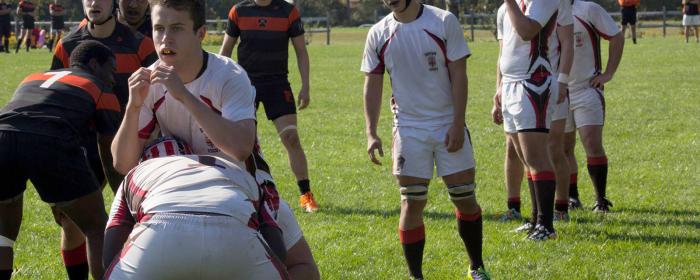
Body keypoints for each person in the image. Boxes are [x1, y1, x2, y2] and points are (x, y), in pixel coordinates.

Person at [111, 0, 319, 278]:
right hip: (177, 194)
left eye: (177, 28)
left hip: (239, 186)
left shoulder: (229, 75)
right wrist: (133, 107)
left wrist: (184, 96)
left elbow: (241, 148)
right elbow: (122, 163)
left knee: (302, 265)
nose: (165, 38)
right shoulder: (150, 80)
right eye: (158, 28)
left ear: (201, 34)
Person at [362, 1, 489, 279]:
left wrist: (457, 123)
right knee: (412, 202)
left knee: (464, 197)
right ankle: (415, 276)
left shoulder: (443, 22)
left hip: (446, 123)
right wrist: (371, 132)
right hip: (408, 129)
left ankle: (476, 267)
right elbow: (373, 83)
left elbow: (459, 74)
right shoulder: (379, 32)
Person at [49, 0, 157, 277]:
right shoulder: (67, 44)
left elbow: (159, 96)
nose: (94, 3)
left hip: (130, 144)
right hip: (82, 145)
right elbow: (57, 96)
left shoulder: (140, 44)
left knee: (139, 217)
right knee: (73, 223)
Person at [0, 40, 120, 280]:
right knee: (96, 227)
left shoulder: (32, 76)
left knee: (2, 233)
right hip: (50, 139)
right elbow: (109, 153)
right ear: (94, 64)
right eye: (111, 71)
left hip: (2, 134)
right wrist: (121, 194)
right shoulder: (100, 89)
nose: (113, 79)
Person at [103, 141, 299, 279]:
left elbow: (111, 246)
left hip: (161, 232)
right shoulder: (235, 171)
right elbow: (276, 245)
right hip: (234, 234)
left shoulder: (137, 173)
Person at [219, 0, 318, 213]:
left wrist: (306, 86)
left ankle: (306, 195)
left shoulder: (288, 11)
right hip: (244, 84)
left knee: (291, 138)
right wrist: (217, 85)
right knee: (240, 143)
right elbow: (225, 50)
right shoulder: (239, 11)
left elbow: (301, 51)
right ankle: (238, 193)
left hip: (277, 83)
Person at [494, 0, 574, 224]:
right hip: (511, 84)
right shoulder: (505, 8)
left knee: (539, 156)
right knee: (525, 157)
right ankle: (536, 220)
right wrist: (498, 89)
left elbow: (526, 31)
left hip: (533, 82)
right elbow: (503, 53)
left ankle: (547, 224)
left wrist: (564, 80)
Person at [564, 0, 624, 213]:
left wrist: (608, 73)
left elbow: (616, 36)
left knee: (591, 143)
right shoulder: (545, 9)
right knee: (564, 148)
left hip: (586, 88)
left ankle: (600, 199)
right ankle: (572, 197)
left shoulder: (588, 9)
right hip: (559, 92)